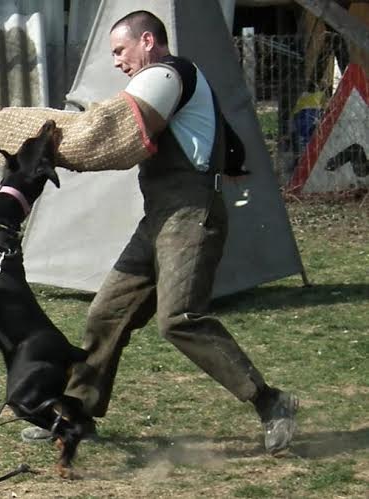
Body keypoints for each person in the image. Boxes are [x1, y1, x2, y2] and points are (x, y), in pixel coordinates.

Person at [22, 10, 298, 454]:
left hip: (190, 215)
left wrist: (56, 148)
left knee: (179, 319)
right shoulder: (164, 81)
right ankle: (76, 413)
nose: (117, 61)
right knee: (107, 313)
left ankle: (271, 402)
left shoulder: (166, 75)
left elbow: (117, 134)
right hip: (159, 218)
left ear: (147, 41)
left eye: (120, 50)